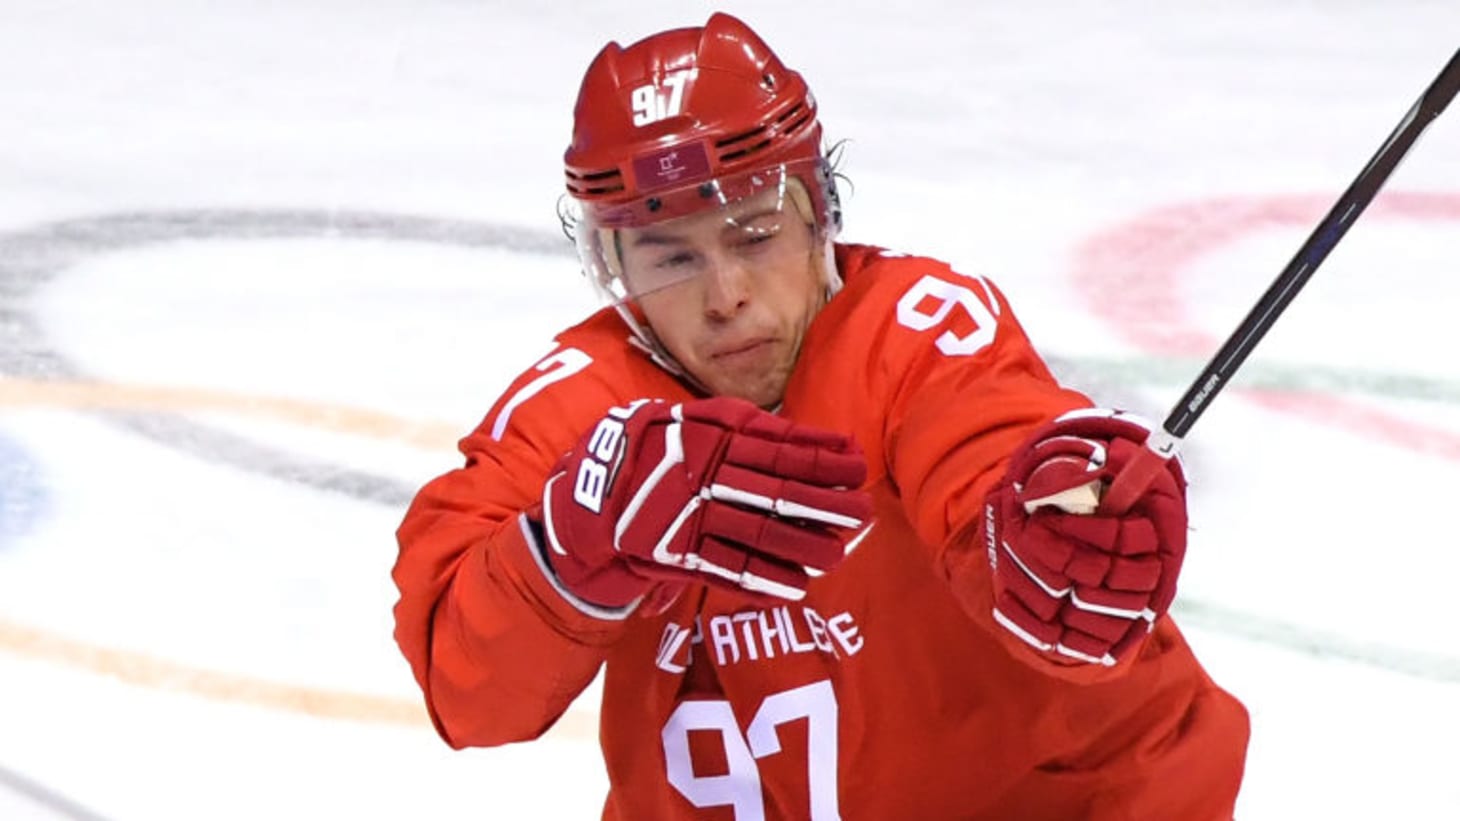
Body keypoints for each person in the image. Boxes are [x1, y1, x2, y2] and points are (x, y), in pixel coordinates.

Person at [391, 12, 1249, 820]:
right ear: (611, 266)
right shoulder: (584, 409)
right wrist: (569, 551)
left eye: (755, 235)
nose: (725, 296)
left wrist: (1048, 543)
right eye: (669, 258)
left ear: (820, 215)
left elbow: (987, 438)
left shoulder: (913, 332)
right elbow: (468, 692)